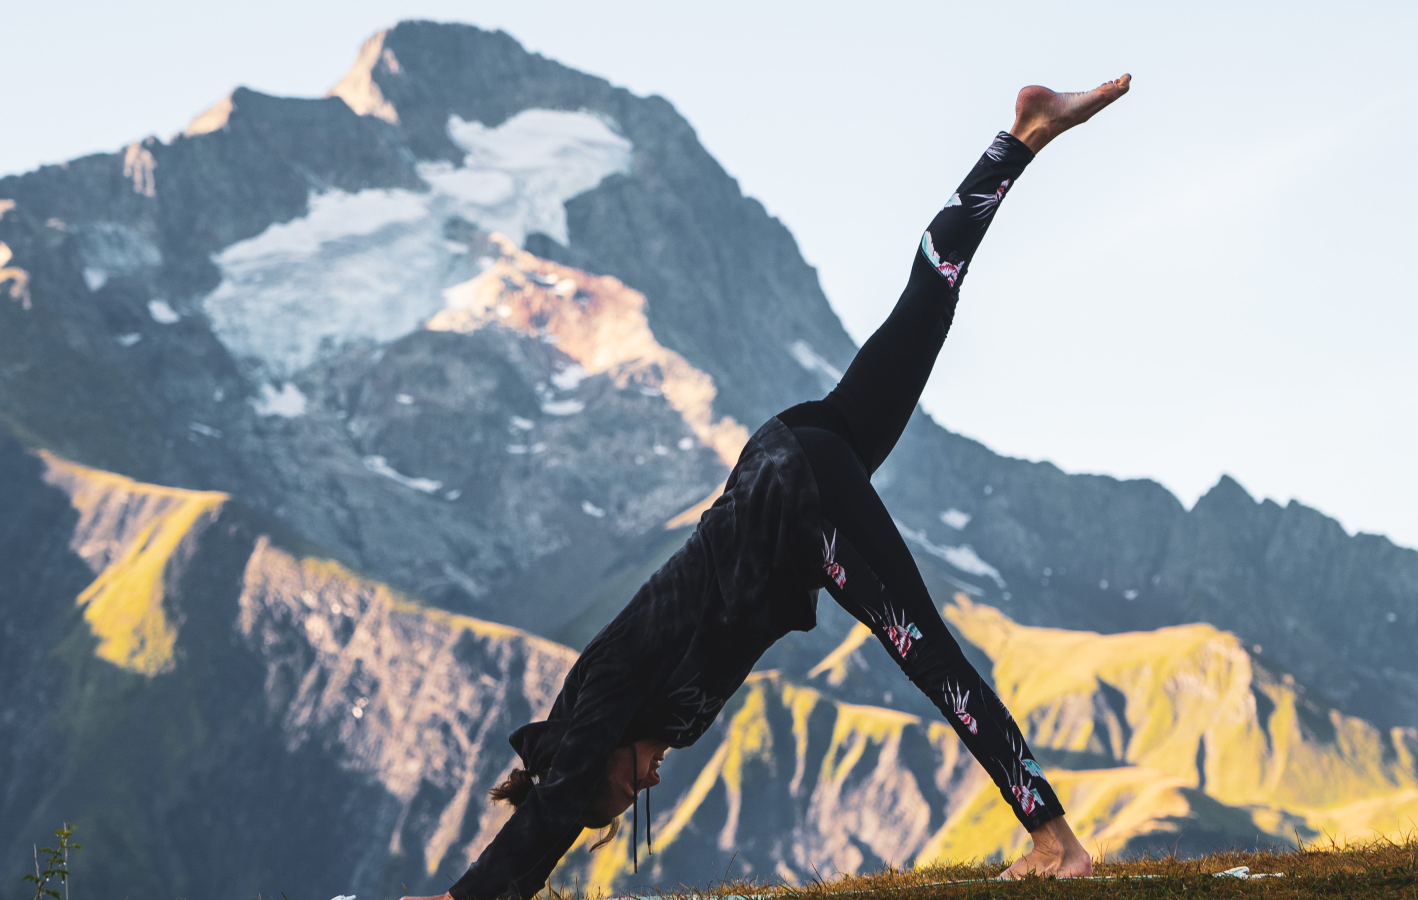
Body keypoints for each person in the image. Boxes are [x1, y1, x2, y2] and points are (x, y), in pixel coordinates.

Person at [414, 75, 1131, 900]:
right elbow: (567, 792)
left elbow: (557, 805)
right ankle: (1022, 137)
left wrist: (466, 898)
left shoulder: (601, 696)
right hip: (791, 458)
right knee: (922, 313)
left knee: (926, 650)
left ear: (588, 757)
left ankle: (1056, 843)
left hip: (794, 501)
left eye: (615, 793)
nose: (635, 792)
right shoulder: (637, 716)